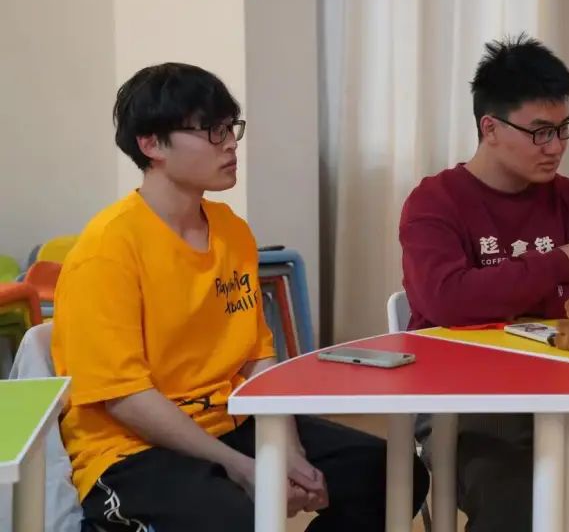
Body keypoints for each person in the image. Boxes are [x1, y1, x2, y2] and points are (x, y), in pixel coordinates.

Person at [52, 62, 428, 531]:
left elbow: (257, 359)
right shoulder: (106, 249)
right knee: (240, 518)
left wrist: (286, 450)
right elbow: (126, 399)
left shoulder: (232, 231)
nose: (230, 143)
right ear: (151, 145)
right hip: (131, 450)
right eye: (212, 130)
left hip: (234, 422)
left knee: (390, 472)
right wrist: (242, 467)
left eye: (231, 127)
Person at [399, 35, 569, 531]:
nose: (556, 147)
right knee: (515, 496)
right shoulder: (435, 202)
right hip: (466, 403)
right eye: (540, 132)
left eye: (564, 128)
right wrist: (560, 267)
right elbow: (447, 300)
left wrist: (502, 293)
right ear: (490, 128)